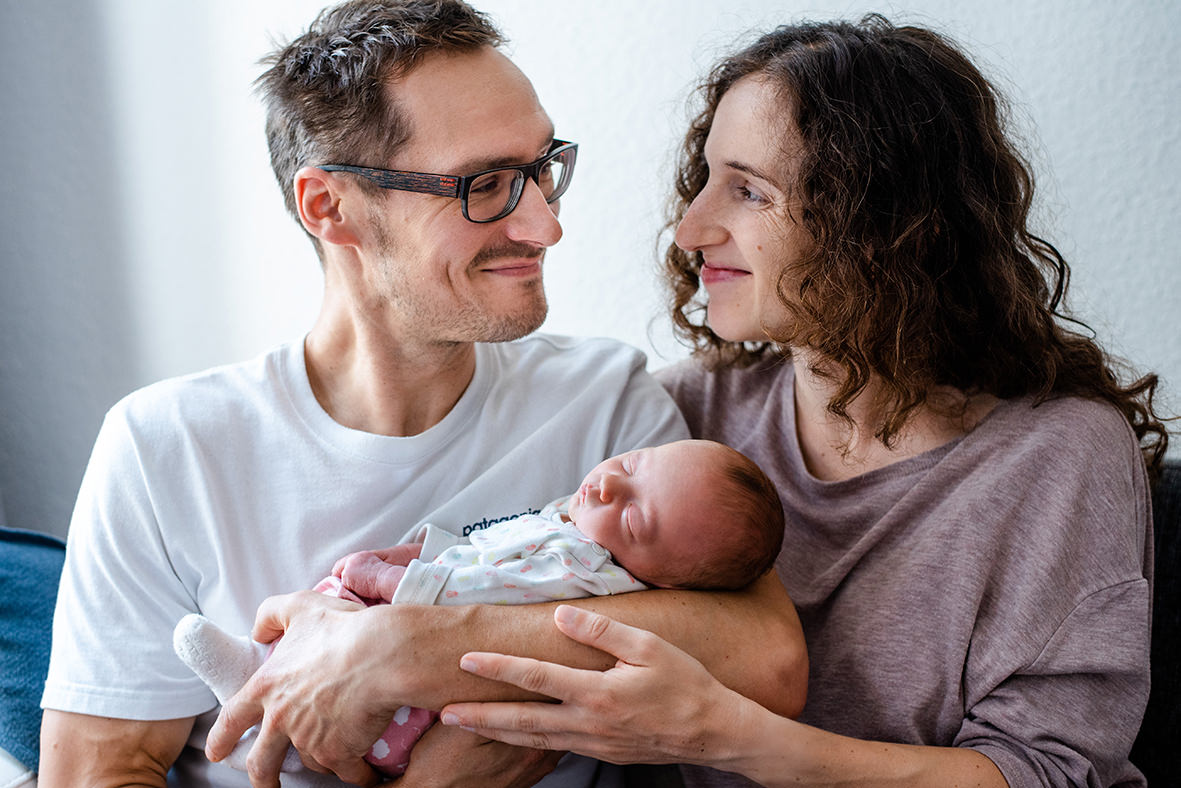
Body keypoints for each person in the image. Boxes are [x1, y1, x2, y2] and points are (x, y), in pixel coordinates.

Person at [38, 2, 807, 787]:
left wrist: (399, 649)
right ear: (329, 207)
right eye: (486, 184)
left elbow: (763, 656)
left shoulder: (602, 403)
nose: (544, 226)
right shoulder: (168, 445)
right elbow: (98, 772)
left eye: (542, 170)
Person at [432, 15, 1170, 788]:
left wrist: (731, 738)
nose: (690, 228)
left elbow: (1050, 772)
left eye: (748, 191)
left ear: (881, 226)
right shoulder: (682, 420)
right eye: (705, 181)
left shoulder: (1056, 456)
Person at [174, 439, 785, 777]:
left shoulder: (583, 571)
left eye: (633, 516)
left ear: (664, 578)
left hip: (422, 700)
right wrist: (425, 551)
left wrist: (390, 579)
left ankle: (258, 700)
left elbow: (486, 589)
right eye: (627, 465)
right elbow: (485, 548)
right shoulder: (571, 520)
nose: (604, 486)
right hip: (424, 612)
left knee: (346, 632)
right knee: (328, 625)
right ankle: (258, 673)